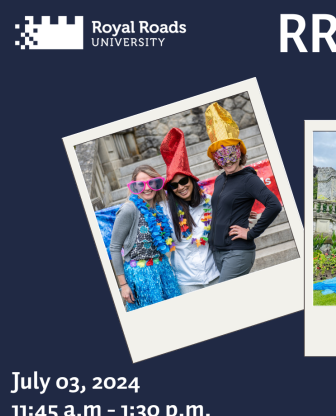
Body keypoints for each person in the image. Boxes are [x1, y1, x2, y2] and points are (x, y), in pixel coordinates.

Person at [205, 102, 282, 283]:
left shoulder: (249, 179)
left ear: (239, 153)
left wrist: (251, 233)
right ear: (216, 160)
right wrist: (237, 212)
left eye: (231, 153)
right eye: (221, 157)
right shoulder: (219, 180)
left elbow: (274, 204)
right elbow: (222, 207)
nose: (227, 160)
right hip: (217, 251)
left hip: (237, 252)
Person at [109, 165, 181, 311]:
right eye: (141, 184)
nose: (147, 188)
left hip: (163, 270)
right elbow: (115, 248)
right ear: (134, 186)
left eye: (151, 182)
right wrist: (123, 285)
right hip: (141, 275)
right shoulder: (129, 209)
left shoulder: (156, 208)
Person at [160, 127, 220, 294]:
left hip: (215, 273)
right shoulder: (165, 211)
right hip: (187, 282)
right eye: (174, 185)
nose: (180, 187)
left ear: (192, 180)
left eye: (184, 180)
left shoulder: (209, 202)